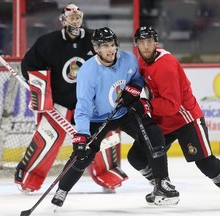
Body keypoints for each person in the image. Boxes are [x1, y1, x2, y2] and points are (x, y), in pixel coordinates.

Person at [51, 27, 180, 208]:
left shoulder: (128, 60)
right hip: (98, 119)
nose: (110, 50)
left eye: (112, 45)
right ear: (96, 49)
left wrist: (134, 88)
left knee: (154, 133)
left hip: (124, 112)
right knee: (83, 154)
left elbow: (137, 79)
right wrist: (82, 134)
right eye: (105, 46)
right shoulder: (88, 71)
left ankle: (161, 182)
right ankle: (62, 190)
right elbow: (83, 106)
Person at [129, 26, 220, 209]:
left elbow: (172, 105)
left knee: (204, 162)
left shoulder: (166, 65)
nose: (145, 46)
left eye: (149, 42)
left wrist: (146, 105)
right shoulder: (142, 61)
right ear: (137, 44)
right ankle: (160, 185)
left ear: (156, 43)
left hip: (185, 119)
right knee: (136, 156)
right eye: (141, 42)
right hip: (164, 119)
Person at [14, 3, 127, 193]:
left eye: (77, 16)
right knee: (47, 138)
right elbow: (30, 65)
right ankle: (29, 179)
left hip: (93, 105)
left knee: (105, 138)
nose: (75, 20)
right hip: (60, 102)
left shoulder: (94, 40)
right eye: (71, 17)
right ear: (63, 20)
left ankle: (108, 175)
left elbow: (112, 62)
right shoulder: (47, 42)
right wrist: (40, 89)